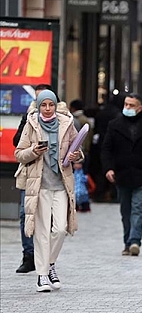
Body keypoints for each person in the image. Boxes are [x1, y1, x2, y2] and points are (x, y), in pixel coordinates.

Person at [14, 90, 82, 292]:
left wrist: (77, 155)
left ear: (55, 105)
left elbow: (78, 150)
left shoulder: (66, 123)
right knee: (42, 232)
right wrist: (33, 151)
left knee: (60, 229)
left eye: (50, 105)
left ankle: (49, 263)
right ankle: (42, 276)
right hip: (40, 185)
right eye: (43, 105)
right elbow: (19, 153)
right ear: (38, 106)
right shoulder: (31, 123)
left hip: (61, 185)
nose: (47, 108)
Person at [101, 93, 142, 256]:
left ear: (140, 108)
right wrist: (108, 168)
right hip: (122, 174)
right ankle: (127, 241)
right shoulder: (114, 125)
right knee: (125, 210)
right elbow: (107, 149)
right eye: (126, 104)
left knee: (138, 207)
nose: (128, 108)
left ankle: (134, 241)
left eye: (131, 105)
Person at [12, 84, 63, 274]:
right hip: (32, 175)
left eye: (47, 101)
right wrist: (33, 148)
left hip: (55, 180)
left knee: (56, 225)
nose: (43, 105)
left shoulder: (64, 120)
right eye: (39, 101)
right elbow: (17, 144)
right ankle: (29, 256)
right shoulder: (29, 118)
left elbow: (74, 147)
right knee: (27, 214)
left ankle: (48, 259)